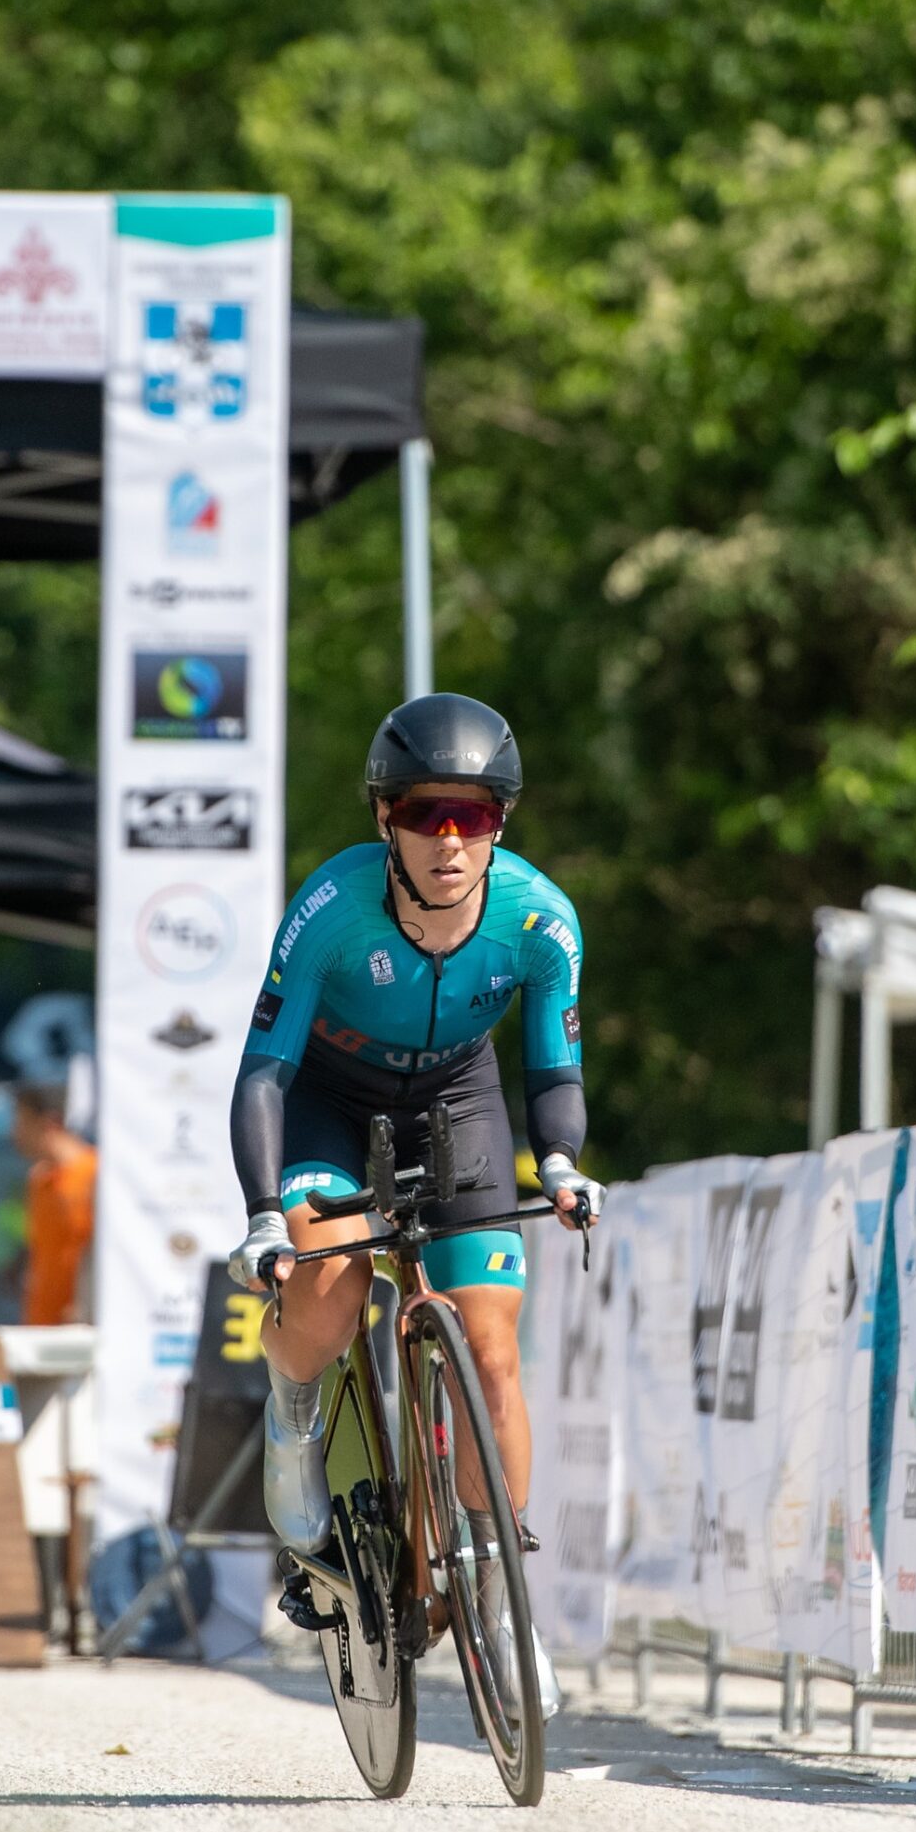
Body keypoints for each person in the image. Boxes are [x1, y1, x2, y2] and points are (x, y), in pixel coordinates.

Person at [223, 694, 604, 1723]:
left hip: (457, 1100)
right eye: (427, 814)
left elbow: (551, 1067)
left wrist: (561, 1162)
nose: (449, 839)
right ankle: (297, 1412)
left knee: (489, 1344)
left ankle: (495, 1588)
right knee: (333, 1282)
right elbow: (262, 1071)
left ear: (500, 825)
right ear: (385, 818)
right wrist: (266, 1212)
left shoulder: (539, 918)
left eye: (473, 817)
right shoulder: (332, 907)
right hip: (326, 1104)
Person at [12, 1082, 97, 1328]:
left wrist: (86, 1305)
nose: (15, 1134)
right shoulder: (39, 1181)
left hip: (80, 1329)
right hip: (40, 1326)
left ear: (49, 1123)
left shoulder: (94, 1174)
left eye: (21, 1122)